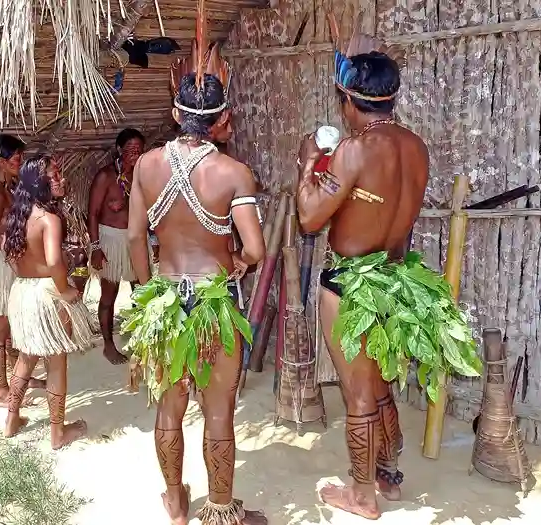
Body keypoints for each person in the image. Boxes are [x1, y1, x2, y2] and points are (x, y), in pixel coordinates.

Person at [297, 43, 480, 518]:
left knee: (357, 394)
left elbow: (309, 218)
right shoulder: (415, 146)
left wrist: (306, 166)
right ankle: (389, 476)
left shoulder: (354, 150)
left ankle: (362, 496)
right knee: (379, 385)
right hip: (395, 282)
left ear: (348, 100)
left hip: (350, 284)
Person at [123, 65, 268, 524]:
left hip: (165, 298)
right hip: (214, 302)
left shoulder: (146, 165)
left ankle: (174, 500)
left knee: (170, 404)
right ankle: (222, 512)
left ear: (175, 113)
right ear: (221, 117)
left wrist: (149, 293)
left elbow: (133, 238)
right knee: (218, 409)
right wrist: (239, 263)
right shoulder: (233, 173)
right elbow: (256, 249)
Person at [2, 155, 96, 446]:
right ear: (39, 183)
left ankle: (11, 420)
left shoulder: (18, 216)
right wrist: (64, 289)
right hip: (47, 296)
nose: (61, 180)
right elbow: (55, 261)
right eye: (54, 177)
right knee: (57, 363)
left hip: (23, 291)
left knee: (27, 358)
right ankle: (58, 432)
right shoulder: (49, 219)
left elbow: (9, 254)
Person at [0, 134, 45, 406]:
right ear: (1, 162)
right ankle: (1, 391)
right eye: (16, 158)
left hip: (10, 262)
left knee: (15, 325)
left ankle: (21, 378)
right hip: (1, 266)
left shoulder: (8, 187)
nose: (20, 162)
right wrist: (15, 242)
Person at [88, 128, 146, 365]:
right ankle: (108, 345)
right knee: (109, 296)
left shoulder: (143, 176)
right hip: (109, 239)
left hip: (135, 239)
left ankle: (143, 340)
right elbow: (92, 213)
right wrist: (96, 247)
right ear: (119, 150)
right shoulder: (106, 177)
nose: (135, 154)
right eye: (130, 149)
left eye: (139, 150)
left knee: (142, 293)